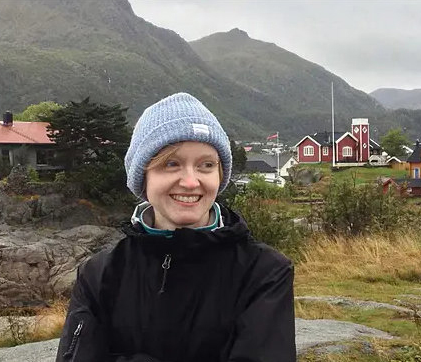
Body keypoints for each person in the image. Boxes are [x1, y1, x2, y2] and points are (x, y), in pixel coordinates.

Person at [56, 93, 296, 362]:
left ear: (220, 175)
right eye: (171, 164)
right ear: (142, 177)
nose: (191, 182)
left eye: (206, 165)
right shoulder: (98, 275)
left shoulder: (265, 272)